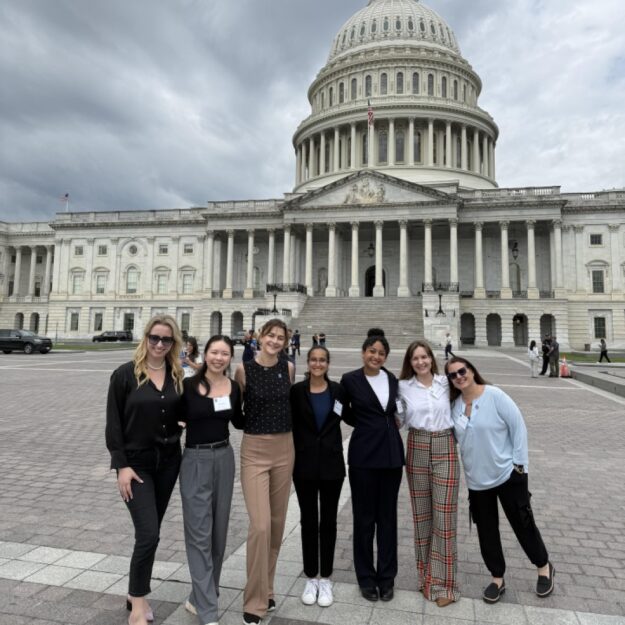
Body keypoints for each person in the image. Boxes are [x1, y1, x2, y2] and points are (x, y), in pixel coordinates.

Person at [445, 357, 555, 604]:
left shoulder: (494, 395)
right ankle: (497, 577)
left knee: (523, 524)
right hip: (477, 480)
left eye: (462, 371)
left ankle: (543, 567)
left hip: (508, 474)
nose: (459, 376)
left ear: (472, 370)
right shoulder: (454, 406)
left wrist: (520, 467)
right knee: (487, 532)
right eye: (453, 375)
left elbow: (518, 427)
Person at [105, 314, 184, 625]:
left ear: (173, 343)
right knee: (149, 534)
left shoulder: (177, 373)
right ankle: (138, 603)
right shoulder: (125, 375)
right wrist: (120, 466)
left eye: (166, 339)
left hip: (168, 462)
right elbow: (113, 424)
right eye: (154, 338)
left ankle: (133, 591)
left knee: (148, 533)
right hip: (136, 466)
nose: (159, 344)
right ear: (145, 338)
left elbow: (185, 408)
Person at [180, 335, 244, 625]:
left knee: (218, 533)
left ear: (231, 357)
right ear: (205, 354)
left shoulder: (234, 388)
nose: (219, 358)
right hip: (195, 459)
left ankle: (200, 597)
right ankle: (209, 611)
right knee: (198, 534)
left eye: (225, 353)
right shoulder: (188, 386)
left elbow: (240, 421)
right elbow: (171, 421)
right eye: (214, 352)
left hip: (224, 458)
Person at [234, 319, 295, 625]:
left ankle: (267, 589)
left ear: (285, 342)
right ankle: (255, 601)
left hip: (285, 449)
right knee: (259, 526)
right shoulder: (244, 370)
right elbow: (234, 411)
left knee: (275, 524)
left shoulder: (289, 368)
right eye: (270, 335)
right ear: (260, 337)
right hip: (255, 450)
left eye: (279, 337)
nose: (274, 341)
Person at [340, 329, 404, 602]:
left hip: (390, 456)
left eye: (381, 353)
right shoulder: (350, 379)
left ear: (386, 356)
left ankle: (387, 578)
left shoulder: (391, 378)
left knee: (388, 519)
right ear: (363, 352)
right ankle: (366, 577)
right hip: (364, 456)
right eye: (372, 352)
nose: (376, 356)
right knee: (364, 519)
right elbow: (342, 411)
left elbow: (398, 409)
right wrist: (368, 426)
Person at [398, 340, 459, 608]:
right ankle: (426, 577)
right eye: (415, 358)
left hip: (445, 445)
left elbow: (474, 394)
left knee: (444, 517)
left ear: (432, 359)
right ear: (409, 363)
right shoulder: (403, 387)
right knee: (422, 516)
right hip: (417, 445)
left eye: (424, 357)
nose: (420, 362)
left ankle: (446, 584)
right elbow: (396, 418)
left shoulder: (447, 383)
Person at [290, 346, 348, 609]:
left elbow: (354, 415)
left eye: (322, 360)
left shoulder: (338, 391)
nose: (317, 364)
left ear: (328, 363)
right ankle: (310, 576)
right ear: (308, 362)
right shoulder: (296, 391)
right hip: (303, 464)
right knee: (308, 521)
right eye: (313, 359)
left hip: (332, 464)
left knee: (329, 522)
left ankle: (326, 577)